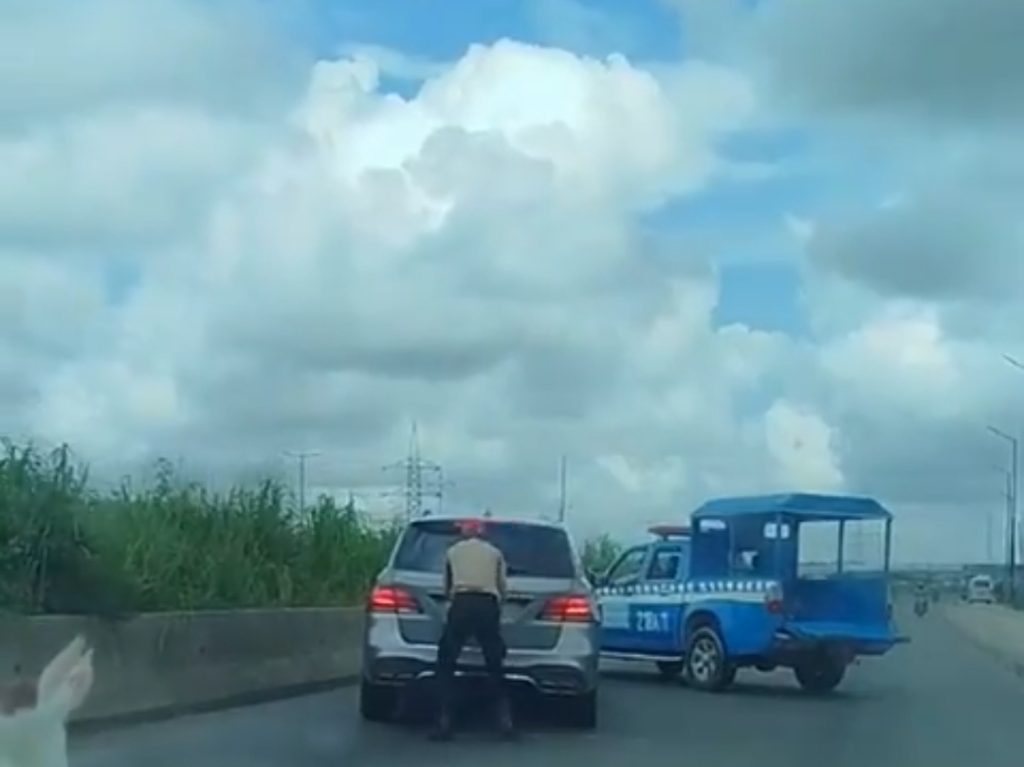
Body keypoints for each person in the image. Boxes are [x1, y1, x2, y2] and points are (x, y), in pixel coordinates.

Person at [431, 518, 514, 741]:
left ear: (464, 533)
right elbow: (503, 587)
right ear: (483, 534)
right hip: (487, 604)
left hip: (462, 603)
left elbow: (447, 588)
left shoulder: (453, 551)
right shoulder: (495, 552)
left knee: (446, 658)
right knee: (494, 660)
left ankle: (445, 720)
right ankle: (504, 721)